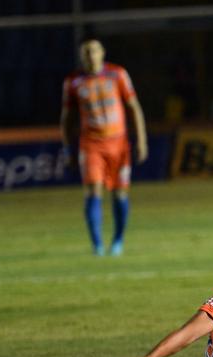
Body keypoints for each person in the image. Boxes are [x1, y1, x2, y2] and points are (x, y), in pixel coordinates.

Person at [60, 39, 148, 256]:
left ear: (102, 53)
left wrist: (142, 140)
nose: (91, 55)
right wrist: (67, 148)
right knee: (93, 190)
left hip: (118, 143)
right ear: (82, 57)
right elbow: (67, 118)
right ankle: (97, 245)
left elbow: (133, 107)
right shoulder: (73, 82)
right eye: (86, 52)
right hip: (91, 144)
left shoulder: (117, 74)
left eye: (94, 51)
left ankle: (118, 240)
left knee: (120, 193)